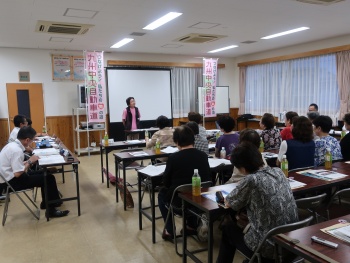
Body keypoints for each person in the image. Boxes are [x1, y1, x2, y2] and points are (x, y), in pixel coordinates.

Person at [216, 142, 298, 263]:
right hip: (291, 243)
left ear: (242, 168)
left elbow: (230, 203)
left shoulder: (251, 180)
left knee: (228, 228)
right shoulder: (278, 171)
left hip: (268, 248)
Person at [0, 126, 69, 217]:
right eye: (32, 140)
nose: (32, 142)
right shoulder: (16, 150)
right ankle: (51, 211)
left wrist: (26, 162)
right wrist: (29, 161)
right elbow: (17, 174)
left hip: (9, 178)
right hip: (12, 182)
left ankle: (48, 203)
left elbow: (15, 166)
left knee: (46, 173)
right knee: (49, 178)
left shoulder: (12, 145)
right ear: (27, 140)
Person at [158, 126, 211, 241]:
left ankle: (170, 230)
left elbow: (166, 182)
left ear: (177, 142)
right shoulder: (203, 156)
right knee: (191, 189)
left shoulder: (173, 158)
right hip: (201, 201)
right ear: (193, 140)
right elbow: (208, 178)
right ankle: (191, 226)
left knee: (162, 194)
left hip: (179, 204)